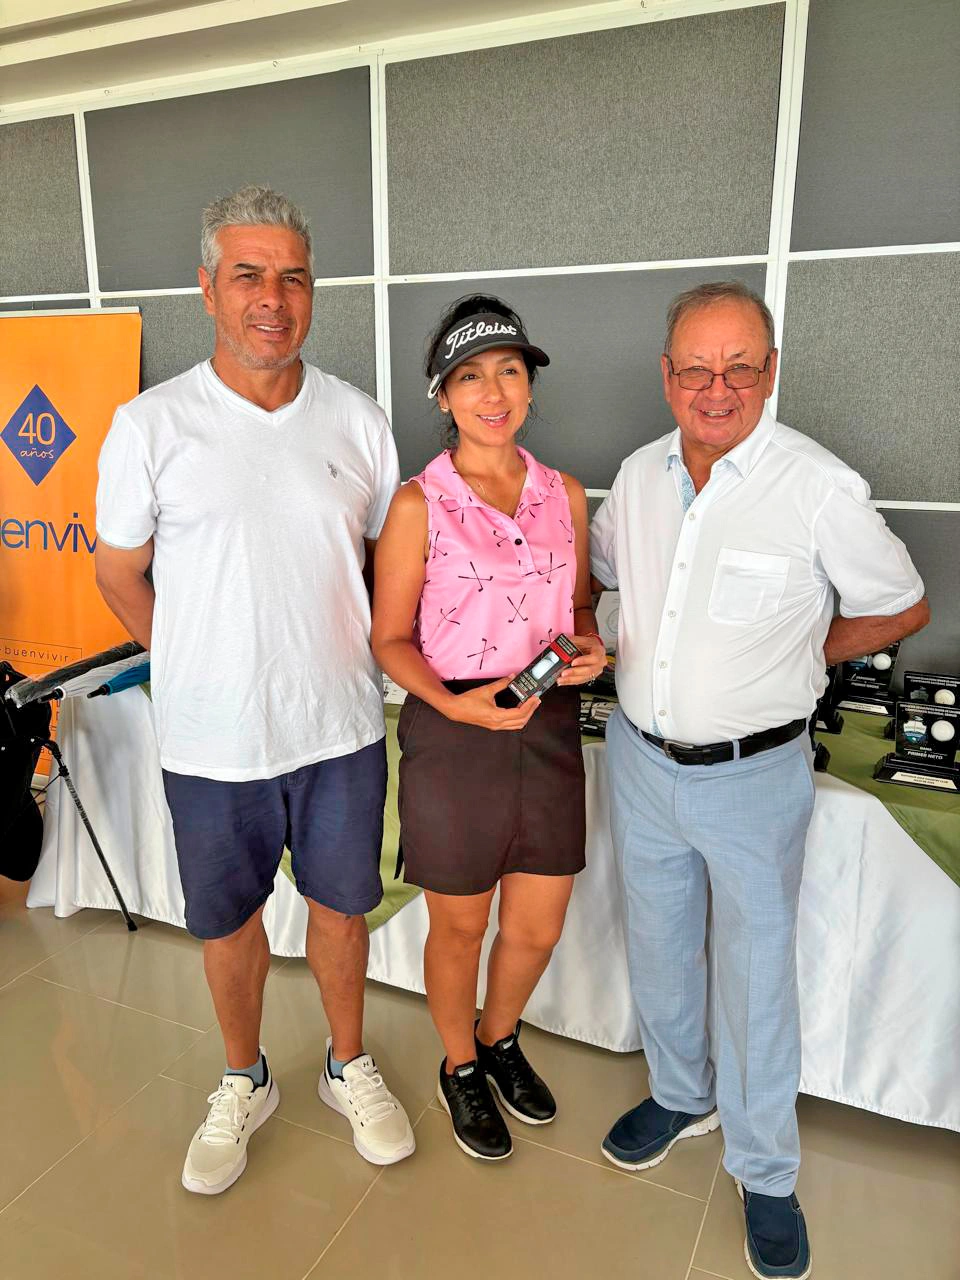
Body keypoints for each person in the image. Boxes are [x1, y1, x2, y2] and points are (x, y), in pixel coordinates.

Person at [590, 281, 929, 1280]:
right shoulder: (638, 476)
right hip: (639, 760)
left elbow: (903, 602)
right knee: (659, 946)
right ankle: (680, 1093)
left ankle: (765, 1169)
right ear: (667, 376)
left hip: (753, 774)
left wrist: (805, 651)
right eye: (697, 367)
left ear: (771, 371)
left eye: (740, 366)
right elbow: (610, 578)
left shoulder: (815, 485)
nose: (718, 387)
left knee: (754, 976)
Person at [94, 185, 415, 1195]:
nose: (272, 297)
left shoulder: (358, 421)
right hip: (210, 740)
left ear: (312, 291)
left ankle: (345, 1062)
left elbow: (386, 569)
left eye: (292, 276)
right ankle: (246, 1077)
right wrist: (193, 659)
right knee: (227, 923)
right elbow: (118, 572)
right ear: (208, 288)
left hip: (339, 728)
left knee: (341, 909)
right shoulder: (150, 425)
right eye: (248, 275)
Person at [372, 295, 607, 1160]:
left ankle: (500, 1036)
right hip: (454, 730)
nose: (493, 392)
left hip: (547, 722)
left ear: (530, 385)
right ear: (443, 395)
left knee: (537, 925)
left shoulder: (564, 495)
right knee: (462, 927)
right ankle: (460, 1064)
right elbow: (388, 639)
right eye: (470, 377)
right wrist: (452, 704)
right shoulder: (417, 504)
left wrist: (591, 648)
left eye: (509, 370)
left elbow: (578, 610)